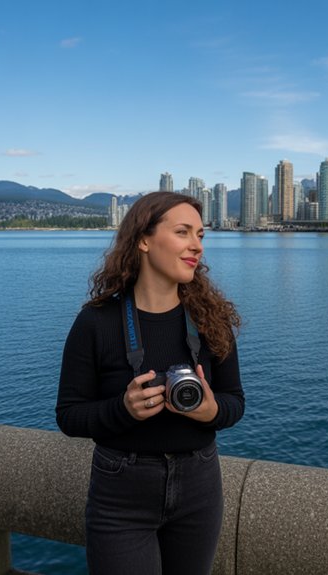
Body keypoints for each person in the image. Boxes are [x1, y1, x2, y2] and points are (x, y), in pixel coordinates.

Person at [56, 191, 244, 575]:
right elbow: (69, 415)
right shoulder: (96, 322)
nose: (197, 246)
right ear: (143, 239)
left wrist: (210, 410)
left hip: (199, 487)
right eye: (183, 232)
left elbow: (235, 402)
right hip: (120, 496)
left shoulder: (211, 320)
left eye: (201, 235)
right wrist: (122, 409)